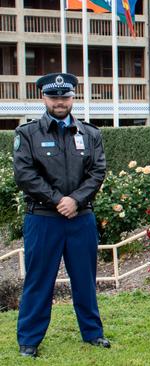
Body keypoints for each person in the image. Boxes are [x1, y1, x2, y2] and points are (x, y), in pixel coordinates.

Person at [13, 73, 109, 357]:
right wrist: (58, 201)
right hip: (43, 218)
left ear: (72, 97)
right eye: (54, 97)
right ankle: (29, 341)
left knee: (85, 279)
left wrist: (75, 201)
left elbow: (97, 173)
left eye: (65, 96)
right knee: (39, 280)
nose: (60, 102)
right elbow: (25, 175)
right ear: (43, 97)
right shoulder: (28, 134)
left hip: (80, 218)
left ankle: (93, 333)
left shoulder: (90, 134)